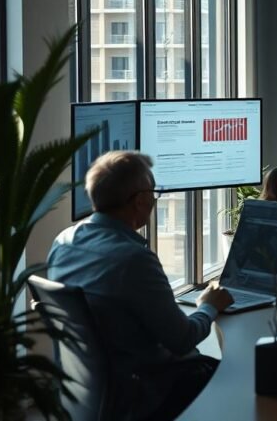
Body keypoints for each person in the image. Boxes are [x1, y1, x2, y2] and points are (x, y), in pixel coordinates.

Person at [49, 151, 234, 421]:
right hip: (144, 393)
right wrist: (208, 306)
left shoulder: (64, 241)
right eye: (153, 191)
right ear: (139, 201)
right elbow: (182, 341)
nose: (154, 199)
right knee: (238, 378)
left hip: (83, 391)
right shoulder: (132, 259)